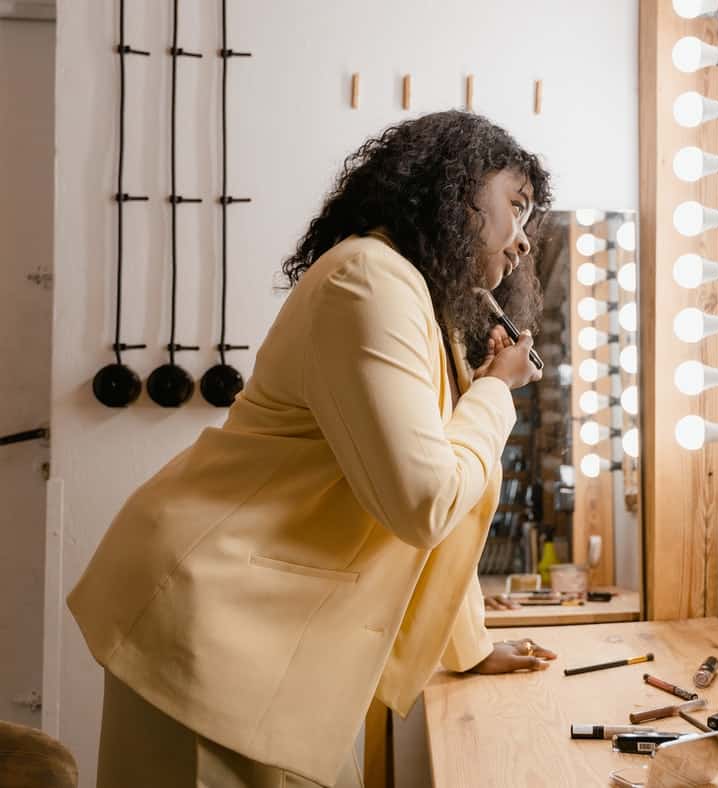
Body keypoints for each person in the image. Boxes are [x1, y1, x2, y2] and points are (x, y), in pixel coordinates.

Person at [68, 110, 558, 788]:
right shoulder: (368, 282)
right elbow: (424, 502)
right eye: (518, 206)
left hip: (275, 636)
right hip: (211, 618)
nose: (525, 241)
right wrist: (496, 394)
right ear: (456, 189)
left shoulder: (417, 303)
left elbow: (432, 512)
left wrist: (468, 648)